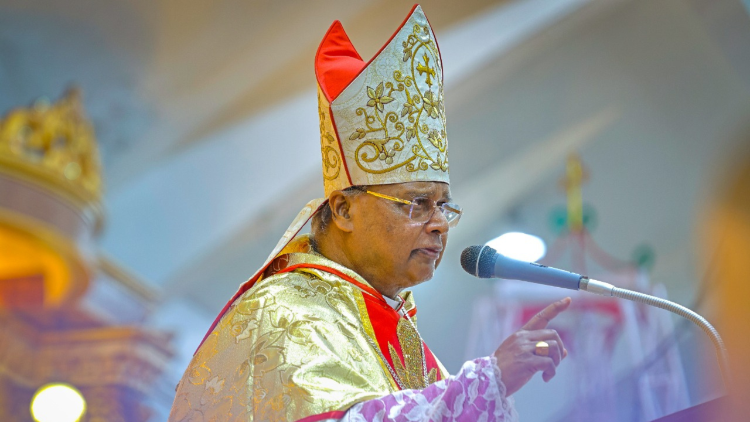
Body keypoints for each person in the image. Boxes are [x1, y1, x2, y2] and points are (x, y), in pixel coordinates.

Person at [169, 5, 570, 421]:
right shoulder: (286, 312)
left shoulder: (399, 335)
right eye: (417, 204)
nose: (438, 223)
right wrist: (486, 383)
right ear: (343, 209)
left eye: (443, 206)